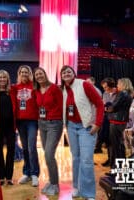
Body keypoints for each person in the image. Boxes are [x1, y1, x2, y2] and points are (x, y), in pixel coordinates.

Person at [60, 65, 104, 200]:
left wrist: (97, 124)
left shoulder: (84, 84)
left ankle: (89, 193)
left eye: (69, 71)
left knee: (86, 160)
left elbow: (99, 104)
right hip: (71, 127)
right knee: (76, 158)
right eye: (64, 72)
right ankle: (77, 187)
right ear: (61, 76)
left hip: (86, 128)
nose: (66, 73)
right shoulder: (63, 90)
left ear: (74, 73)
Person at [33, 67, 63, 195]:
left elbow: (62, 105)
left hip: (54, 123)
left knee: (49, 154)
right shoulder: (37, 90)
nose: (39, 76)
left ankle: (55, 184)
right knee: (47, 154)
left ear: (45, 74)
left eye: (41, 73)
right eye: (37, 75)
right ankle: (51, 181)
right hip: (42, 123)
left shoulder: (55, 88)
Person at [15, 65, 40, 187]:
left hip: (32, 121)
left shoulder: (34, 86)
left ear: (29, 74)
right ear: (19, 74)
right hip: (20, 122)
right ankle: (27, 172)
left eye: (26, 72)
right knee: (24, 148)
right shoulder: (16, 87)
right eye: (22, 72)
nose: (24, 74)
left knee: (31, 147)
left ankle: (35, 174)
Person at [105, 78, 133, 169]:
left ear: (123, 84)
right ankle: (120, 166)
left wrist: (106, 108)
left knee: (116, 145)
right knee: (119, 145)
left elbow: (113, 107)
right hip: (122, 121)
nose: (117, 85)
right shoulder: (128, 94)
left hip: (117, 121)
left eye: (118, 84)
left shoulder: (122, 94)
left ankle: (117, 167)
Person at [97, 77, 117, 167]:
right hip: (106, 119)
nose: (104, 89)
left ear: (111, 86)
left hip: (115, 120)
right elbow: (105, 106)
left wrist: (107, 108)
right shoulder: (105, 93)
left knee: (114, 142)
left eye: (105, 87)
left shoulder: (118, 94)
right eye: (103, 87)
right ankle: (110, 159)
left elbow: (114, 107)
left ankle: (114, 162)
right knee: (108, 141)